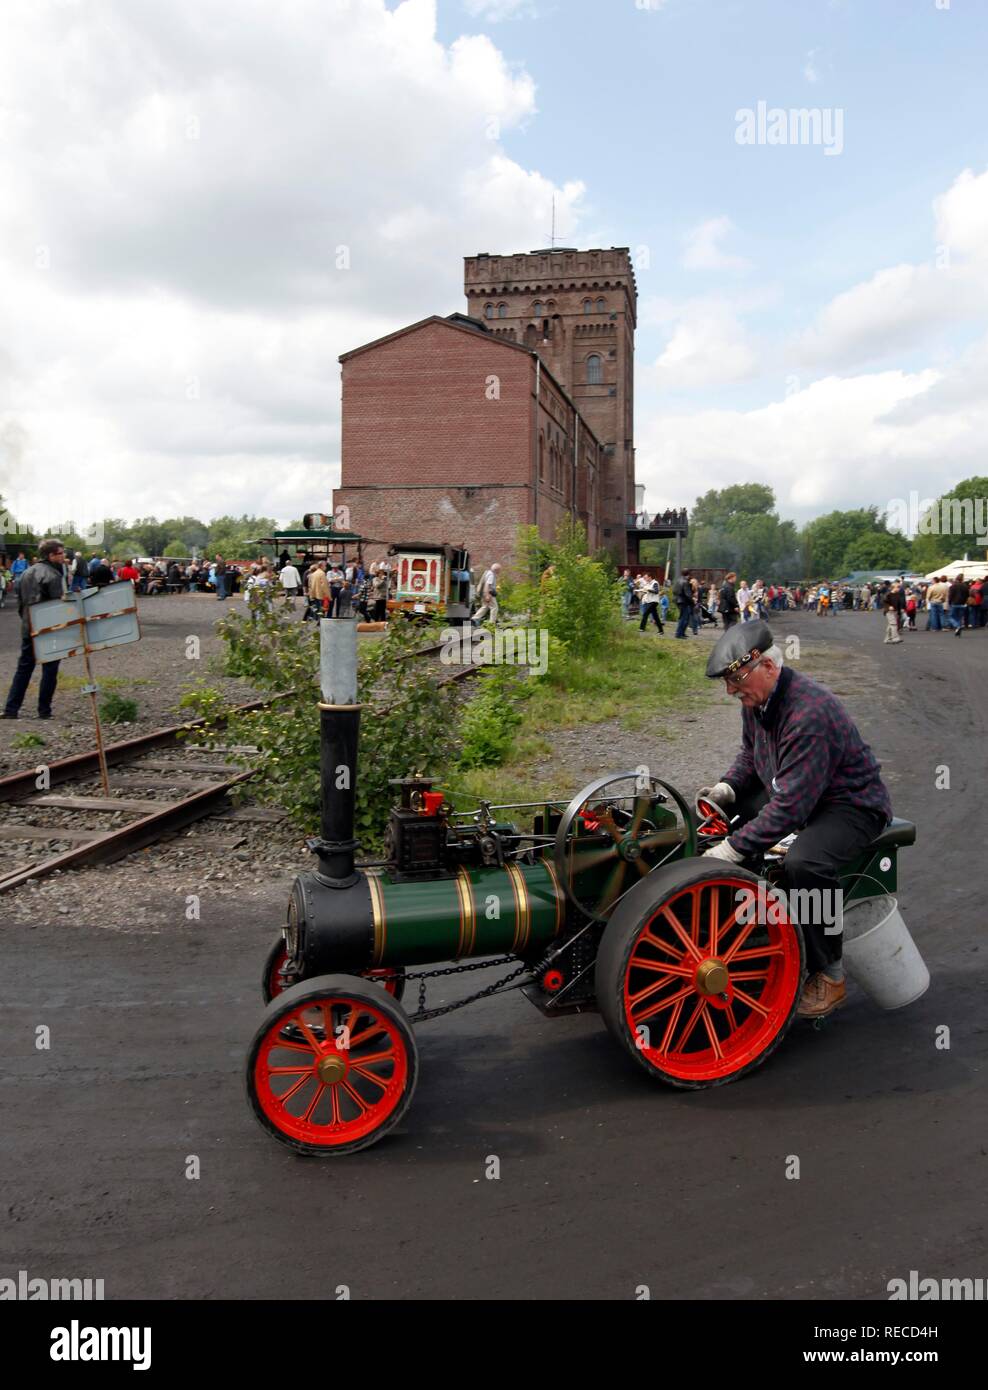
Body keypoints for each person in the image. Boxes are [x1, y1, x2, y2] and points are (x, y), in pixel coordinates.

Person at [699, 620, 893, 1019]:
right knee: (723, 820)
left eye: (737, 679)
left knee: (805, 862)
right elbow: (751, 756)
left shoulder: (810, 713)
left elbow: (791, 809)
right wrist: (727, 789)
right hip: (800, 791)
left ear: (768, 667)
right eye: (728, 682)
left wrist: (731, 850)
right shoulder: (758, 701)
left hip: (851, 805)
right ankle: (752, 924)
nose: (731, 690)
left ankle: (830, 975)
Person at [3, 538, 68, 721]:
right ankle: (44, 710)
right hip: (49, 629)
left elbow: (20, 603)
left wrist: (26, 621)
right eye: (60, 553)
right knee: (50, 669)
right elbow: (58, 606)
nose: (64, 556)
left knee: (23, 669)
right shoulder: (53, 576)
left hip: (28, 626)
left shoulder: (26, 573)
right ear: (51, 555)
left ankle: (11, 709)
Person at [673, 570, 695, 638]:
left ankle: (681, 633)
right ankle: (679, 634)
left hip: (677, 600)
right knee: (684, 618)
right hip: (683, 601)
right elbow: (688, 594)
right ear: (688, 574)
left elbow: (674, 591)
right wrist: (693, 602)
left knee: (683, 617)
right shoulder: (685, 582)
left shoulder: (678, 580)